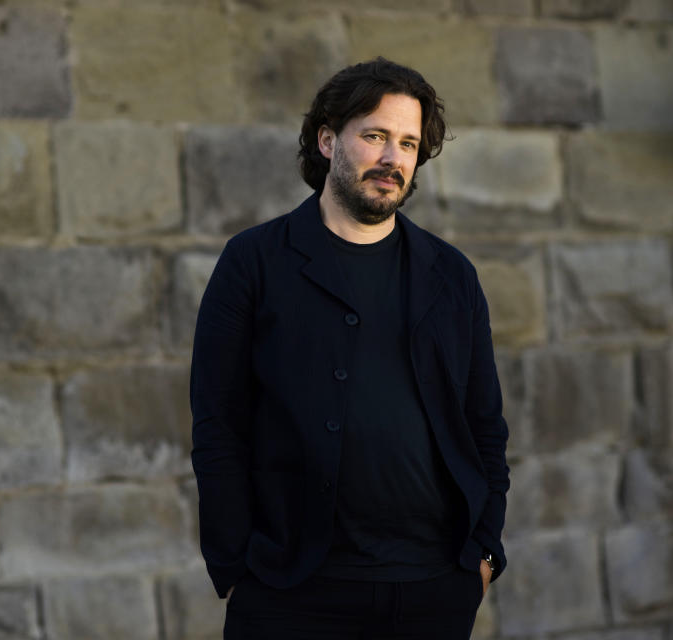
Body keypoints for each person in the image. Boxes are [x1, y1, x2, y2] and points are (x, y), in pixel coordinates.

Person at [190, 57, 510, 640]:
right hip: (294, 590)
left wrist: (484, 548)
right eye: (376, 136)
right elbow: (218, 424)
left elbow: (484, 423)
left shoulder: (451, 275)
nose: (393, 159)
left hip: (433, 586)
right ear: (327, 139)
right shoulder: (254, 262)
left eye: (409, 144)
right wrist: (235, 565)